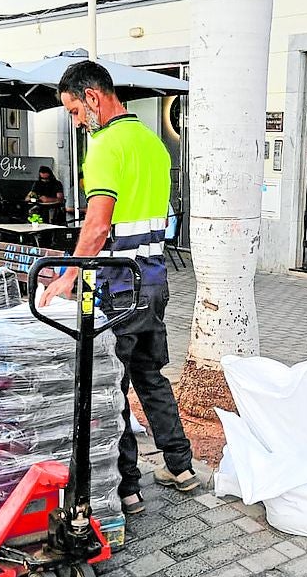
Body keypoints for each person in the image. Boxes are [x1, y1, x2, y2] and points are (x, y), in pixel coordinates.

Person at [40, 60, 198, 515]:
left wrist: (68, 276)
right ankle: (180, 465)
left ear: (92, 97)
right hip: (153, 279)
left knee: (113, 385)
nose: (75, 122)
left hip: (116, 284)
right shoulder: (152, 144)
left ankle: (128, 489)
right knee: (151, 376)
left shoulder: (105, 146)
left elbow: (97, 224)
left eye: (73, 111)